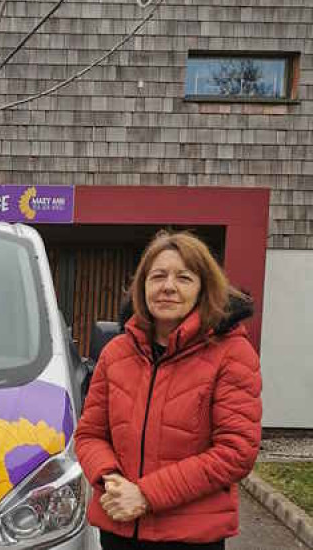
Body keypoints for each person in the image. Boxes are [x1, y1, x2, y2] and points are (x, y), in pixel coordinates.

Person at [74, 231, 262, 550]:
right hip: (119, 529)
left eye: (184, 277)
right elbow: (89, 434)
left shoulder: (232, 353)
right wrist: (110, 479)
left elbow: (236, 451)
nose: (168, 287)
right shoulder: (115, 352)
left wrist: (146, 495)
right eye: (157, 276)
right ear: (143, 286)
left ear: (204, 288)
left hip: (190, 538)